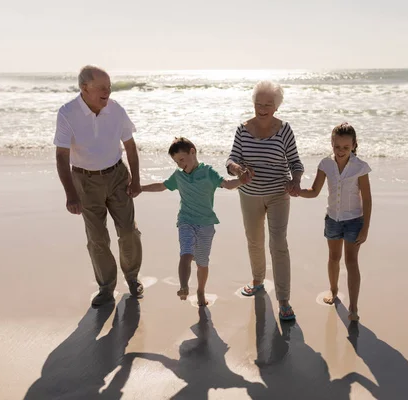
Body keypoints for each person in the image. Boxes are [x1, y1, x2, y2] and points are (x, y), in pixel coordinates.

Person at [54, 65, 143, 307]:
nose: (108, 92)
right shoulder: (67, 113)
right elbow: (62, 156)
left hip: (116, 175)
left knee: (128, 231)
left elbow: (131, 147)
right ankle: (106, 288)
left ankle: (132, 278)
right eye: (102, 88)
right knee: (97, 238)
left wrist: (135, 179)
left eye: (110, 87)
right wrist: (70, 194)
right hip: (85, 181)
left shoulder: (115, 110)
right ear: (85, 88)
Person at [226, 81, 303, 321]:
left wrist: (296, 181)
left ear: (276, 106)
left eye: (268, 104)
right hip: (249, 194)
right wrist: (239, 170)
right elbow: (230, 161)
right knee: (255, 241)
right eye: (258, 103)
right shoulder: (242, 129)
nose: (262, 108)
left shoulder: (284, 130)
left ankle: (284, 300)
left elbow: (295, 164)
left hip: (279, 194)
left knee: (278, 244)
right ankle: (258, 281)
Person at [141, 137, 249, 306]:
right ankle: (184, 286)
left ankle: (200, 290)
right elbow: (162, 186)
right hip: (186, 221)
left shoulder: (208, 172)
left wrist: (241, 181)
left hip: (206, 224)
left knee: (202, 263)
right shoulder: (178, 176)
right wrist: (140, 188)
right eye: (176, 162)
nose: (179, 164)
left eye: (182, 159)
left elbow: (227, 184)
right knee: (186, 253)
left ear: (193, 152)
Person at [298, 122, 372, 321]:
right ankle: (333, 291)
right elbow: (314, 192)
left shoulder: (360, 167)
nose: (341, 151)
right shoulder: (325, 164)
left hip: (354, 221)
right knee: (333, 258)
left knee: (351, 261)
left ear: (354, 145)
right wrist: (296, 191)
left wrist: (365, 228)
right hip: (332, 220)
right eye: (337, 146)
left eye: (346, 148)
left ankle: (354, 307)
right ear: (331, 143)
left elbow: (367, 198)